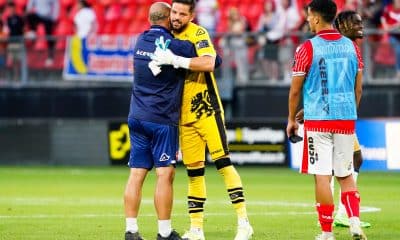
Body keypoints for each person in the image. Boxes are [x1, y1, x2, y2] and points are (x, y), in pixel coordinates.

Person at [151, 1, 253, 239]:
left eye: (182, 14)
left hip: (207, 109)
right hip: (183, 115)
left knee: (223, 164)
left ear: (191, 15)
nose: (176, 17)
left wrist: (176, 60)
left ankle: (244, 222)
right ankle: (196, 228)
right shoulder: (164, 35)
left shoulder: (198, 33)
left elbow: (209, 62)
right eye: (174, 12)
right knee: (194, 172)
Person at [286, 0, 367, 239]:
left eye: (310, 16)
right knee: (346, 175)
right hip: (345, 119)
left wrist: (291, 119)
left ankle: (326, 232)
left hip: (318, 121)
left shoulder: (307, 48)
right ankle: (354, 223)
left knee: (322, 176)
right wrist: (350, 112)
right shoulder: (353, 48)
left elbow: (294, 90)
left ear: (317, 18)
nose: (308, 20)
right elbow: (358, 89)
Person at [124, 2, 202, 240]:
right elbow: (210, 59)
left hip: (136, 115)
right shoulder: (174, 45)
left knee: (136, 173)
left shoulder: (140, 40)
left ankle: (131, 230)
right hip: (161, 119)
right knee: (164, 174)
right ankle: (165, 232)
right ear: (169, 20)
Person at [332, 10, 371, 229]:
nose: (360, 25)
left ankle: (340, 214)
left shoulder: (342, 46)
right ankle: (336, 216)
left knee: (353, 159)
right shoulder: (349, 49)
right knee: (342, 163)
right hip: (337, 114)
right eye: (355, 22)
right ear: (343, 25)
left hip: (331, 112)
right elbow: (357, 89)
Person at [25, 0, 59, 66]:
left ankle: (50, 56)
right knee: (29, 16)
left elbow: (56, 5)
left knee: (49, 37)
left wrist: (54, 17)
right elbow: (30, 4)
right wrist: (28, 10)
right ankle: (33, 31)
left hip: (48, 17)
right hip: (38, 15)